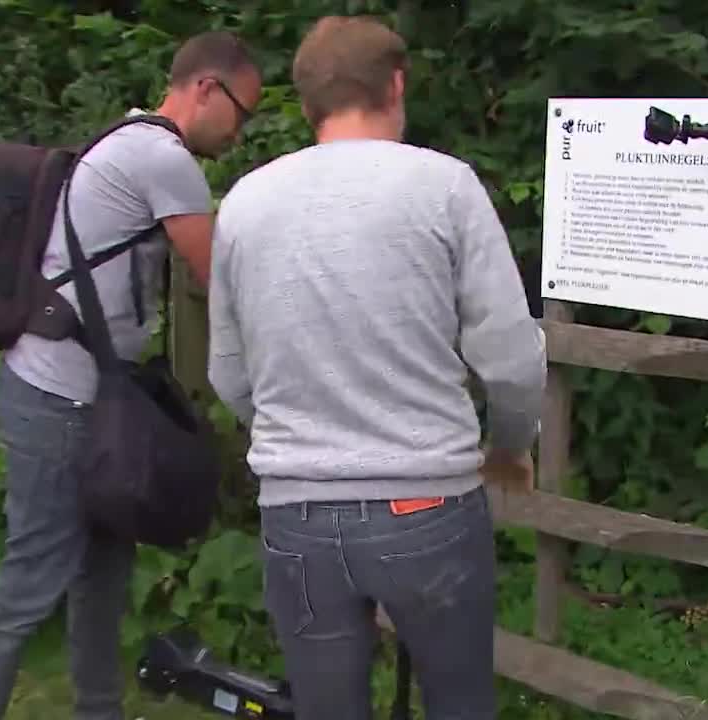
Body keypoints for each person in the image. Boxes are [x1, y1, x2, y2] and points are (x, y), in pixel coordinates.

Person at [207, 15, 544, 720]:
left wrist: (297, 440)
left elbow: (230, 373)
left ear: (307, 102)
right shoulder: (445, 186)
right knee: (459, 704)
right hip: (427, 507)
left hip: (296, 514)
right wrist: (510, 446)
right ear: (395, 85)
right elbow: (511, 357)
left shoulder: (242, 205)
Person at [0, 31, 262, 720]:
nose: (239, 134)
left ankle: (98, 710)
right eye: (241, 113)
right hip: (57, 397)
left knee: (103, 575)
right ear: (206, 88)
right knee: (31, 583)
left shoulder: (126, 138)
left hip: (84, 396)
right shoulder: (163, 158)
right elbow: (223, 280)